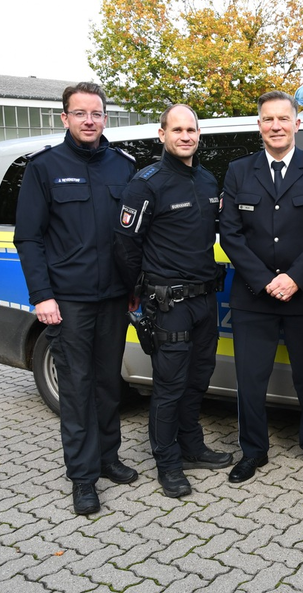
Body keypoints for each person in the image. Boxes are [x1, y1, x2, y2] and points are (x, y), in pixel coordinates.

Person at [14, 82, 138, 515]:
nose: (90, 120)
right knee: (77, 387)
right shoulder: (44, 168)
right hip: (68, 302)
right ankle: (82, 477)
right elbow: (28, 238)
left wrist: (133, 288)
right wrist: (42, 296)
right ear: (65, 118)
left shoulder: (123, 167)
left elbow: (132, 235)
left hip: (115, 298)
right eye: (80, 113)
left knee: (108, 384)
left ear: (106, 117)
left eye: (97, 113)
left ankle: (107, 457)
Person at [219, 91, 303, 483]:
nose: (276, 126)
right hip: (254, 296)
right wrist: (266, 280)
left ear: (297, 124)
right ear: (259, 125)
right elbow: (230, 235)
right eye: (268, 120)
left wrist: (295, 278)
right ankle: (252, 451)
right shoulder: (238, 171)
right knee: (250, 380)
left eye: (283, 119)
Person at [114, 104, 232, 498]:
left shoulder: (207, 180)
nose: (185, 136)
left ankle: (192, 447)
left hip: (204, 300)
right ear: (161, 134)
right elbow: (126, 246)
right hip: (169, 304)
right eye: (177, 129)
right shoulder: (146, 183)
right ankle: (167, 464)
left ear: (199, 135)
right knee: (170, 386)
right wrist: (139, 293)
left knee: (198, 380)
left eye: (191, 130)